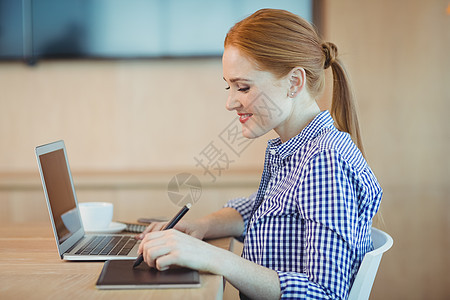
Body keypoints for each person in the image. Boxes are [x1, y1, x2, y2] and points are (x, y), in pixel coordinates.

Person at [138, 8, 382, 299]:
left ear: (294, 82)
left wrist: (212, 258)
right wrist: (200, 227)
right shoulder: (298, 150)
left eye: (243, 87)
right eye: (229, 87)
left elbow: (325, 293)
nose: (230, 102)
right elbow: (260, 211)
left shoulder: (324, 161)